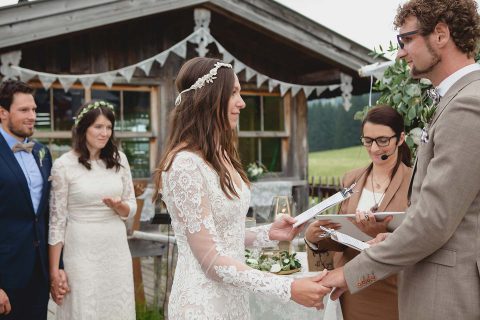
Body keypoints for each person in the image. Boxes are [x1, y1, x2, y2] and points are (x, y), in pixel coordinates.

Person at [321, 1, 480, 319]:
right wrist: (393, 230)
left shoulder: (466, 106)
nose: (400, 53)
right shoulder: (459, 99)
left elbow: (434, 222)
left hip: (445, 295)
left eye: (405, 40)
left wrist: (350, 274)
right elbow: (452, 211)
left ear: (440, 34)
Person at [152, 57, 331, 319]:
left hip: (233, 299)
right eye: (233, 92)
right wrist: (287, 287)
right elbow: (211, 260)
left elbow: (222, 232)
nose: (242, 102)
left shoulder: (221, 155)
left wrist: (270, 233)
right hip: (203, 304)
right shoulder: (184, 166)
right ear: (209, 98)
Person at [304, 105, 412, 320]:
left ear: (400, 139)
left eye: (383, 140)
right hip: (351, 288)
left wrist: (381, 233)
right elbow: (340, 237)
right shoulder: (350, 180)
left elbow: (422, 236)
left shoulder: (416, 181)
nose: (374, 149)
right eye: (367, 140)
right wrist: (315, 238)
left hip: (394, 287)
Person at [48, 100, 137, 320]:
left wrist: (119, 206)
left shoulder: (119, 160)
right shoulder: (64, 165)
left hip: (115, 249)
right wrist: (54, 271)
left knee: (117, 306)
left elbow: (131, 205)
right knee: (84, 306)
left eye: (108, 127)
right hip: (81, 249)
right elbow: (57, 221)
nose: (105, 133)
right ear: (83, 128)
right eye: (98, 126)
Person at [0, 80, 67, 319]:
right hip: (5, 276)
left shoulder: (42, 152)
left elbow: (47, 214)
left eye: (34, 109)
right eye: (24, 110)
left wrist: (56, 268)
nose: (32, 116)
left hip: (38, 274)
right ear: (3, 112)